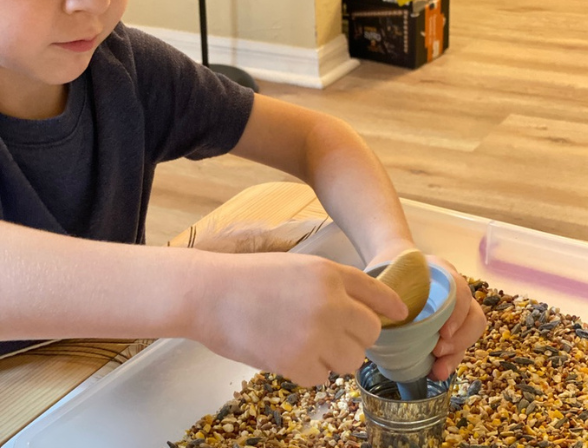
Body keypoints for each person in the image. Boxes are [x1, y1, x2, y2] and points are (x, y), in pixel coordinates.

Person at [0, 0, 486, 387]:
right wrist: (209, 295)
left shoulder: (125, 71)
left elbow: (315, 139)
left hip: (102, 374)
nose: (93, 1)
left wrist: (395, 255)